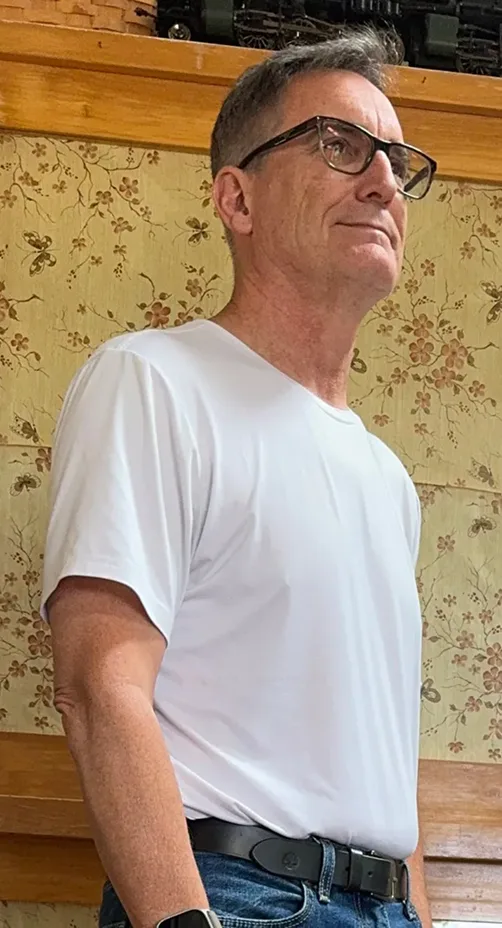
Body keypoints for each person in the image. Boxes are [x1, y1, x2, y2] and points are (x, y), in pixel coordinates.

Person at [42, 25, 437, 928]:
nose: (384, 181)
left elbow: (382, 761)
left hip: (385, 907)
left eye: (397, 160)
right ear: (237, 198)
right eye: (340, 145)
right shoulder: (151, 380)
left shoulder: (386, 477)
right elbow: (99, 689)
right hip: (240, 898)